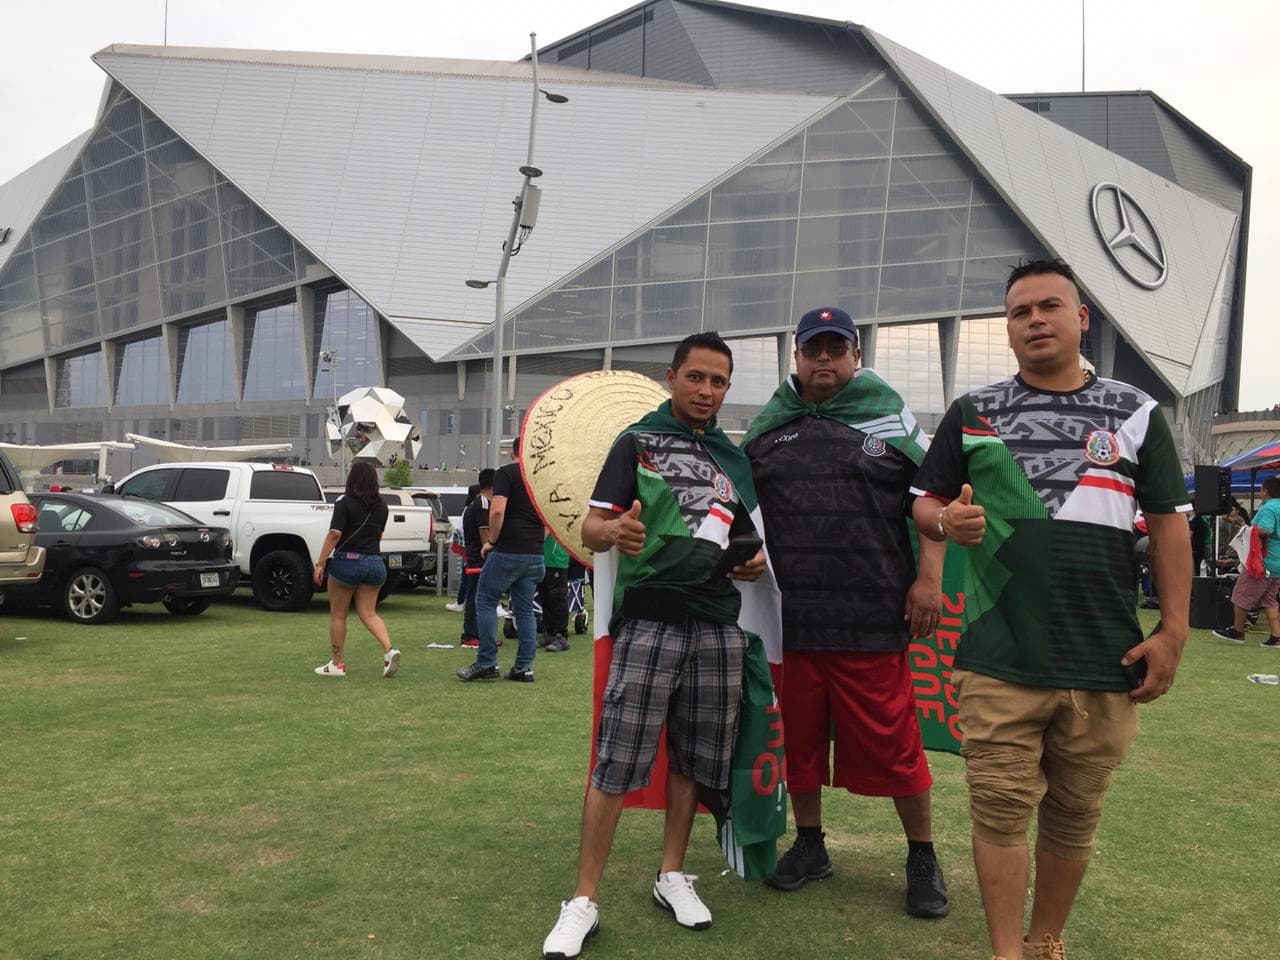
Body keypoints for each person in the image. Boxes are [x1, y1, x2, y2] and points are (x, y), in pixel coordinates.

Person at [911, 258, 1191, 960]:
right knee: (1000, 811)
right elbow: (925, 502)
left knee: (1074, 815)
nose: (1034, 320)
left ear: (1081, 318)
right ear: (1006, 330)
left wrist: (1175, 631)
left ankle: (1044, 943)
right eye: (1019, 312)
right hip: (999, 651)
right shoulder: (973, 413)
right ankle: (1008, 954)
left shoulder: (1137, 413)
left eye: (1048, 306)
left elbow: (1169, 524)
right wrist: (950, 526)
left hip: (1104, 654)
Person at [542, 332, 767, 960]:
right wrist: (614, 528)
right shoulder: (635, 442)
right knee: (617, 757)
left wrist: (751, 566)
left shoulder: (733, 458)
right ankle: (583, 899)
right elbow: (591, 525)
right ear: (672, 377)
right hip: (650, 622)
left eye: (718, 381)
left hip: (719, 625)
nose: (706, 391)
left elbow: (747, 544)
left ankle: (672, 875)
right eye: (696, 377)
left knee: (697, 758)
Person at [742, 305, 949, 917]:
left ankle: (922, 854)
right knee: (797, 744)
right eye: (813, 350)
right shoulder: (767, 428)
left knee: (895, 744)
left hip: (871, 618)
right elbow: (738, 511)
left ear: (857, 356)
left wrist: (929, 580)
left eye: (836, 348)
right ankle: (810, 845)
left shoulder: (889, 419)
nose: (824, 359)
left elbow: (932, 500)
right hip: (789, 621)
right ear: (797, 357)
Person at [457, 435, 546, 682]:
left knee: (484, 600)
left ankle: (486, 662)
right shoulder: (542, 477)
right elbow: (549, 518)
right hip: (535, 552)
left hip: (508, 549)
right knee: (525, 609)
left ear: (513, 453)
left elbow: (497, 510)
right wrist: (538, 543)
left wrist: (492, 542)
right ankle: (524, 667)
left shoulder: (506, 474)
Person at [313, 460, 401, 679]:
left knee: (338, 615)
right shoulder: (382, 506)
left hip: (348, 561)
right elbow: (378, 535)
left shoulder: (344, 502)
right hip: (374, 562)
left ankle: (337, 663)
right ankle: (389, 649)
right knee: (369, 613)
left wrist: (320, 562)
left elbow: (335, 533)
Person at [1213, 475, 1280, 647]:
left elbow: (1266, 530)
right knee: (1269, 600)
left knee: (1240, 595)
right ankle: (1276, 636)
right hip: (1277, 563)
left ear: (1265, 491)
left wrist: (1247, 530)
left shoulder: (1268, 508)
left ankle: (1237, 631)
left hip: (1262, 561)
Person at [458, 470, 494, 648]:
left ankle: (483, 635)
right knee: (475, 596)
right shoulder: (482, 503)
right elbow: (484, 532)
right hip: (478, 559)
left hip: (476, 557)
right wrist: (491, 549)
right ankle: (470, 635)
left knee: (483, 597)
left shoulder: (478, 502)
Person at [446, 483, 481, 613]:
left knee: (468, 576)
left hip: (468, 546)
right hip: (471, 547)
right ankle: (461, 601)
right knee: (470, 576)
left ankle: (461, 601)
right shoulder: (473, 508)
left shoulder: (468, 508)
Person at [538, 531, 572, 653]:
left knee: (558, 598)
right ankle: (550, 633)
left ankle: (561, 636)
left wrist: (535, 543)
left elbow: (547, 527)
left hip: (556, 557)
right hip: (543, 558)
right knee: (545, 596)